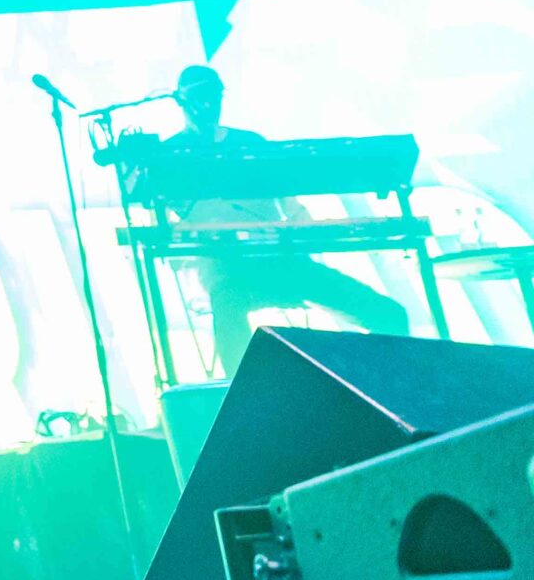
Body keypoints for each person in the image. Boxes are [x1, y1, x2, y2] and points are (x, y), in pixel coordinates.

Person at [163, 63, 411, 375]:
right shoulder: (168, 156)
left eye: (215, 96)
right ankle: (243, 396)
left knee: (389, 315)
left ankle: (386, 385)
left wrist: (307, 233)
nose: (210, 104)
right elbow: (164, 219)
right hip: (228, 269)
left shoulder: (250, 143)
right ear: (182, 100)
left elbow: (289, 201)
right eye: (201, 97)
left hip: (283, 260)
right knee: (228, 309)